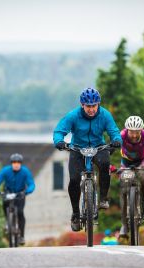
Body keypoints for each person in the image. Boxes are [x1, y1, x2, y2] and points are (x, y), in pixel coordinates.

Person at [53, 87, 121, 232]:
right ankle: (76, 213)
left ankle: (103, 198)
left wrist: (116, 140)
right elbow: (59, 130)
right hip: (77, 148)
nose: (91, 109)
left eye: (94, 106)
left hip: (98, 147)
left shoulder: (105, 115)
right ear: (82, 105)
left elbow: (114, 131)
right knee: (74, 179)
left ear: (98, 104)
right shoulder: (73, 116)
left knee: (105, 163)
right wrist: (59, 141)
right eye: (88, 106)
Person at [0, 153, 35, 245]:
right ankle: (8, 221)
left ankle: (22, 236)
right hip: (8, 192)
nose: (16, 164)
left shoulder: (25, 171)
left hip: (20, 194)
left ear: (21, 163)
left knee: (20, 212)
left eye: (18, 162)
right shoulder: (5, 171)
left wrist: (27, 191)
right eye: (14, 162)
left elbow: (31, 184)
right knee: (5, 205)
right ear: (11, 163)